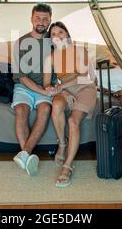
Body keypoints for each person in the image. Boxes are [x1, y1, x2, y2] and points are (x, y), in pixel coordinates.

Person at [43, 21, 97, 188]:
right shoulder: (50, 58)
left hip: (85, 88)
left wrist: (62, 86)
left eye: (61, 32)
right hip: (65, 89)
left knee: (73, 122)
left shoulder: (80, 50)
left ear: (67, 34)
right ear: (50, 39)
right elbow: (46, 84)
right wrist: (62, 91)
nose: (57, 36)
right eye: (53, 34)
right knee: (57, 106)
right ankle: (62, 143)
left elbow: (86, 76)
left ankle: (67, 166)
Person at [11, 3, 57, 176]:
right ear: (31, 18)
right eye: (38, 18)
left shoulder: (53, 42)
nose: (41, 22)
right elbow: (21, 76)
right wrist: (42, 91)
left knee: (45, 108)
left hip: (46, 87)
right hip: (24, 87)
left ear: (50, 21)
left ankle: (24, 155)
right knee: (21, 110)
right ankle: (27, 155)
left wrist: (48, 90)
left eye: (45, 19)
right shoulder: (20, 43)